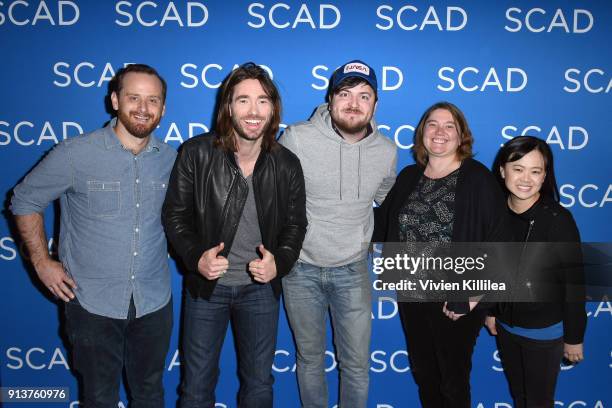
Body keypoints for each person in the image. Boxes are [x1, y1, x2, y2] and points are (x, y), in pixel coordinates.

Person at [11, 64, 176, 407]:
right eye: (133, 98)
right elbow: (24, 200)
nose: (143, 108)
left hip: (154, 301)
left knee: (150, 394)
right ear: (115, 100)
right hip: (92, 304)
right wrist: (42, 262)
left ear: (162, 108)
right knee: (99, 398)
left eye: (153, 100)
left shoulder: (171, 159)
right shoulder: (75, 154)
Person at [162, 62, 307, 408]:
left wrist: (280, 263)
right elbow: (174, 215)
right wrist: (196, 256)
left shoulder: (287, 164)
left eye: (262, 101)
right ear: (228, 106)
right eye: (243, 100)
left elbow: (296, 225)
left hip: (260, 291)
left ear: (273, 109)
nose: (253, 111)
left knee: (258, 386)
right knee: (196, 388)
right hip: (206, 289)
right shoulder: (196, 153)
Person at [279, 59, 397, 408]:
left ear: (375, 104)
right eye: (344, 93)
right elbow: (273, 198)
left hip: (353, 270)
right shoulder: (297, 138)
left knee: (357, 365)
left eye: (364, 95)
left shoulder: (387, 152)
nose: (353, 103)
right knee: (310, 360)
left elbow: (386, 201)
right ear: (330, 100)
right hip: (301, 268)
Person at [373, 101, 506, 407]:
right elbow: (380, 223)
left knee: (453, 380)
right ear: (422, 133)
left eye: (450, 126)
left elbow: (501, 241)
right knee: (425, 375)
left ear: (462, 137)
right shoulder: (409, 177)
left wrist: (476, 297)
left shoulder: (477, 178)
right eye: (433, 124)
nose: (440, 132)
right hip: (412, 294)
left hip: (455, 297)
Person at [486, 136, 586, 408]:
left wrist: (574, 338)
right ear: (503, 170)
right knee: (520, 398)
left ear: (545, 176)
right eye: (518, 169)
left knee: (539, 403)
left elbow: (575, 284)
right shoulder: (494, 213)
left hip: (544, 332)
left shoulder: (558, 220)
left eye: (536, 170)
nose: (525, 178)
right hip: (507, 327)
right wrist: (492, 310)